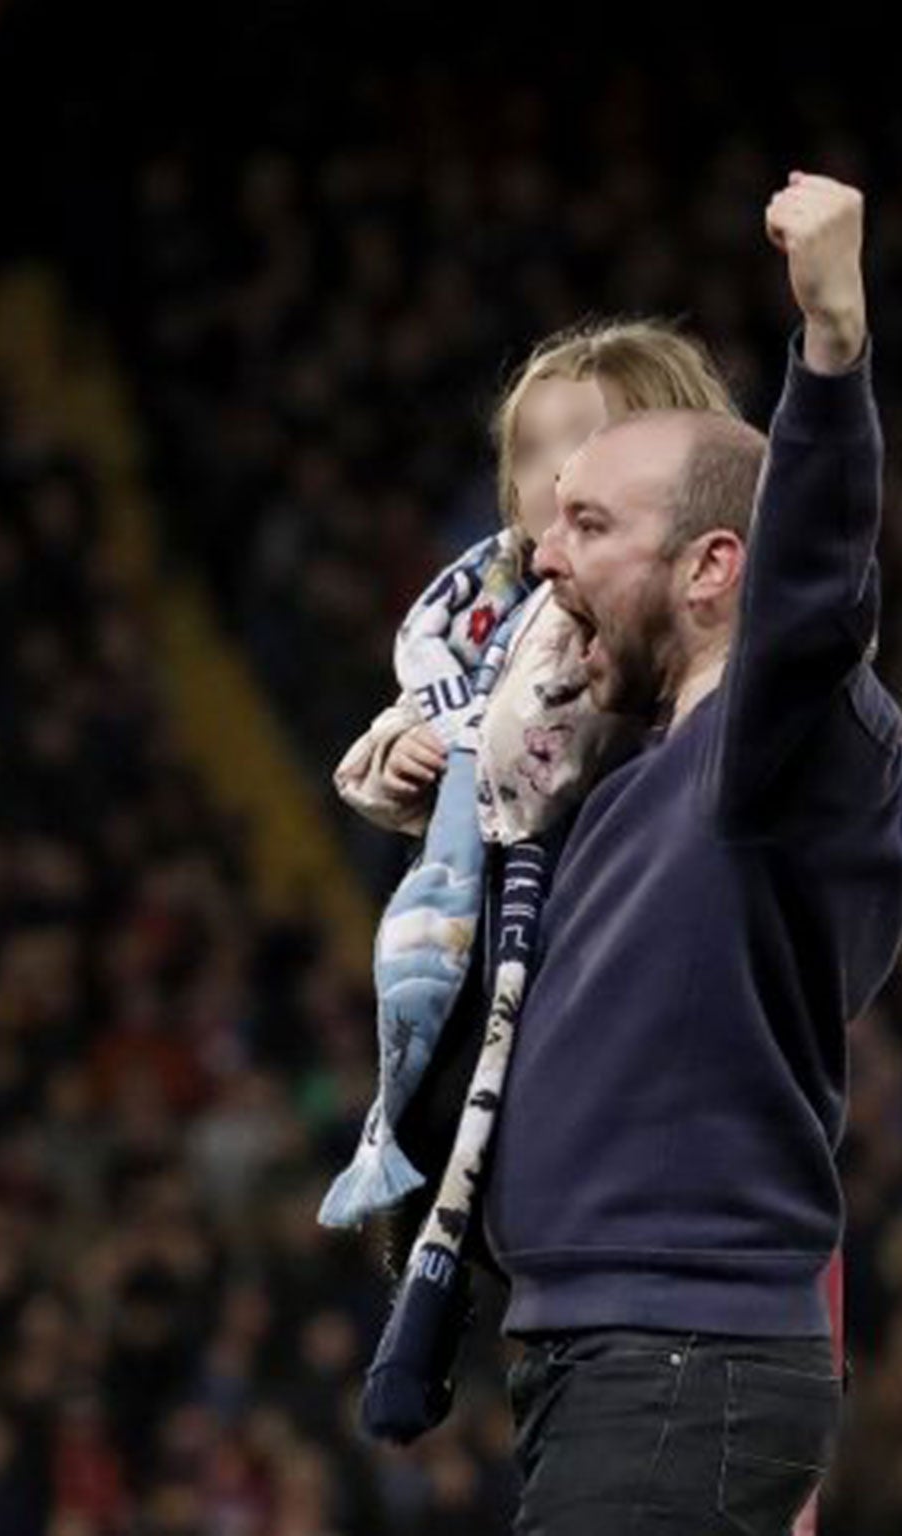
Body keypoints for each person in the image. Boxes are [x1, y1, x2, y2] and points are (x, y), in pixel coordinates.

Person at [483, 171, 902, 1534]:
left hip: (685, 1358)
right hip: (608, 1356)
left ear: (714, 565)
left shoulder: (768, 744)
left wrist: (833, 344)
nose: (542, 558)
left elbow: (816, 586)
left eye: (592, 525)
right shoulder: (635, 776)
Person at [322, 320, 739, 1285]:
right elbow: (429, 730)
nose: (552, 475)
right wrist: (395, 760)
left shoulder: (705, 649)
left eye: (580, 444)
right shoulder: (470, 617)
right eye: (530, 451)